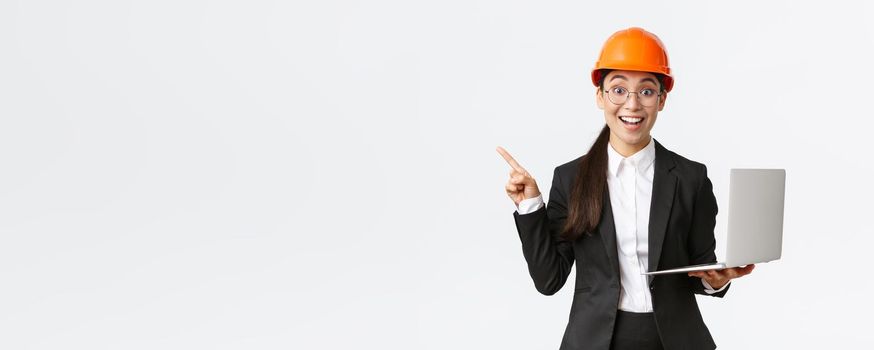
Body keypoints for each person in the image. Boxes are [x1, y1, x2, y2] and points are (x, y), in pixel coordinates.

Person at [496, 27, 754, 350]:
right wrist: (530, 205)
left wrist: (716, 282)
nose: (631, 105)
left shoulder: (691, 179)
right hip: (597, 341)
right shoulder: (570, 180)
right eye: (618, 90)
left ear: (661, 100)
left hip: (673, 341)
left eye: (646, 91)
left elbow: (701, 264)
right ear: (600, 96)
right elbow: (549, 279)